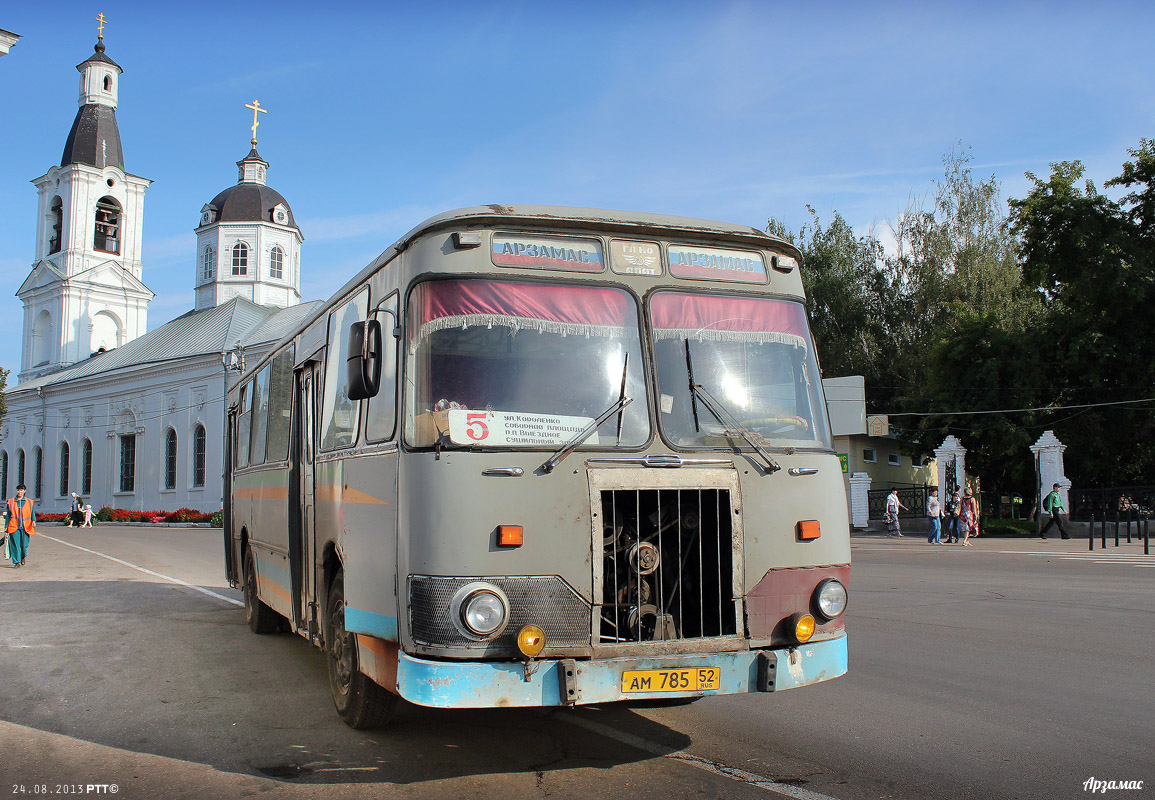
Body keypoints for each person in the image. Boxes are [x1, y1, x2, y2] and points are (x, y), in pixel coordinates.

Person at [4, 483, 36, 568]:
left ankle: (23, 556)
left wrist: (34, 520)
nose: (19, 492)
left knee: (24, 546)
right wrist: (6, 526)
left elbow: (32, 512)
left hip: (26, 527)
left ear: (24, 491)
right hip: (14, 527)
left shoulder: (29, 501)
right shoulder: (11, 502)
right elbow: (8, 515)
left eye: (21, 490)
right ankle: (16, 562)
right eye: (18, 490)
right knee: (15, 545)